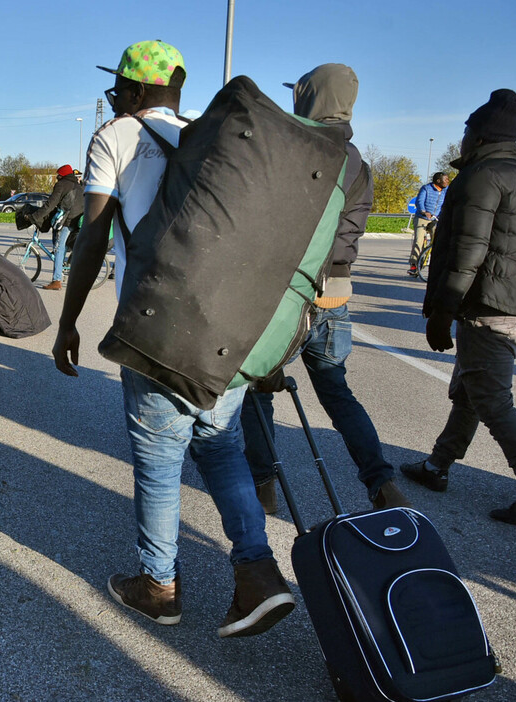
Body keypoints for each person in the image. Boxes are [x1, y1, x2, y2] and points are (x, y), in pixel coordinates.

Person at [52, 41, 294, 638]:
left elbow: (91, 237)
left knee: (160, 463)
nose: (113, 100)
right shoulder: (216, 137)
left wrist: (68, 321)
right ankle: (258, 574)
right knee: (221, 446)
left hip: (158, 326)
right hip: (230, 328)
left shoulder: (115, 136)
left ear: (135, 91)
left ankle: (159, 586)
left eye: (117, 90)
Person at [240, 64, 412, 515]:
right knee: (337, 392)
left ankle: (263, 484)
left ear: (309, 98)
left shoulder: (293, 151)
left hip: (289, 295)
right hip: (335, 293)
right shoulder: (360, 163)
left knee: (258, 388)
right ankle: (381, 483)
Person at [401, 89, 516, 526]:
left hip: (487, 309)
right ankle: (437, 467)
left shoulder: (480, 178)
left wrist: (439, 313)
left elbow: (466, 253)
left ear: (478, 135)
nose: (462, 139)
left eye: (466, 130)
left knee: (492, 400)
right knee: (472, 391)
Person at [33, 164, 85, 290]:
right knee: (61, 246)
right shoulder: (78, 185)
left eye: (58, 175)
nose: (57, 178)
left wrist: (35, 216)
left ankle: (57, 280)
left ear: (61, 175)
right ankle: (63, 266)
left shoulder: (61, 185)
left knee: (58, 249)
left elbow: (51, 204)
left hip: (67, 221)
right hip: (78, 221)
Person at [409, 171, 450, 275]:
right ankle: (414, 265)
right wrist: (424, 211)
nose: (447, 181)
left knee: (437, 241)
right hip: (422, 217)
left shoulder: (446, 190)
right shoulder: (426, 188)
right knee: (419, 241)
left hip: (436, 218)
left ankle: (435, 264)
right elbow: (419, 201)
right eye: (445, 179)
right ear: (438, 181)